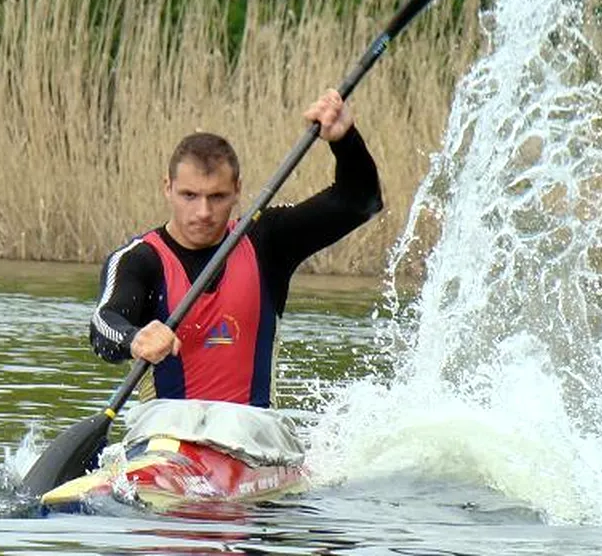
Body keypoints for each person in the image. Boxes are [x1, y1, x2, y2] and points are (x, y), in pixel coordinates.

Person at [88, 89, 382, 408]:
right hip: (167, 427)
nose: (203, 212)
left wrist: (345, 141)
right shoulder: (138, 259)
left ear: (237, 190)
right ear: (168, 188)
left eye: (217, 197)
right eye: (189, 195)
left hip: (251, 429)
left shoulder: (267, 240)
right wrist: (135, 339)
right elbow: (103, 325)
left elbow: (360, 201)